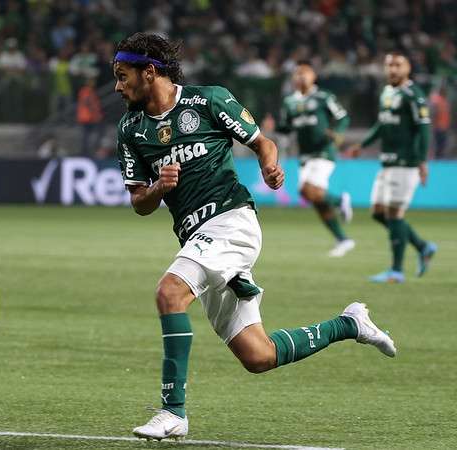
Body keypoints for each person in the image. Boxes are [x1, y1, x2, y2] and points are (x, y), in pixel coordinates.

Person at [112, 32, 396, 441]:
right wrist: (159, 188)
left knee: (169, 292)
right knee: (258, 355)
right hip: (196, 236)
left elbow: (263, 143)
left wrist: (269, 166)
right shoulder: (130, 129)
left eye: (123, 76)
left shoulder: (207, 100)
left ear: (149, 72)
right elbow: (139, 201)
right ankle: (349, 324)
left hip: (232, 221)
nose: (118, 87)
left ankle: (173, 412)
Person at [347, 51, 437, 283]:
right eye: (389, 65)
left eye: (398, 65)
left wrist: (421, 161)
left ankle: (396, 271)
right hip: (386, 162)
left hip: (405, 164)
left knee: (395, 214)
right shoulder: (387, 92)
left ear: (408, 68)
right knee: (378, 213)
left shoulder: (413, 95)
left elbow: (424, 129)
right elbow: (382, 123)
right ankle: (423, 246)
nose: (393, 69)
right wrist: (362, 144)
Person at [276, 61, 354, 256]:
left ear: (313, 76)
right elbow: (286, 127)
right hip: (305, 155)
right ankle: (342, 239)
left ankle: (340, 200)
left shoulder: (323, 97)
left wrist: (338, 132)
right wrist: (273, 127)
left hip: (323, 151)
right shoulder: (290, 102)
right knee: (312, 197)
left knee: (309, 190)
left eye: (305, 73)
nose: (301, 76)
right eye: (297, 73)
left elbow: (342, 117)